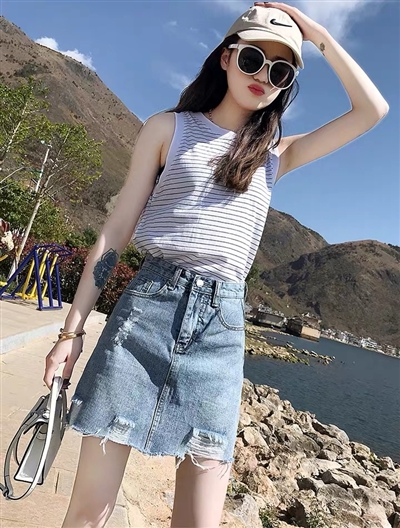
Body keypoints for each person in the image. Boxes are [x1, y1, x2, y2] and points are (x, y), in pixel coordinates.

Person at [44, 2, 388, 527]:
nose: (263, 76)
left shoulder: (275, 155)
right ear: (226, 58)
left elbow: (372, 111)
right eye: (252, 59)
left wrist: (316, 34)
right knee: (90, 512)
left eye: (280, 71)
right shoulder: (168, 129)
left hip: (220, 334)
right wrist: (70, 334)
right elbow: (116, 231)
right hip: (146, 314)